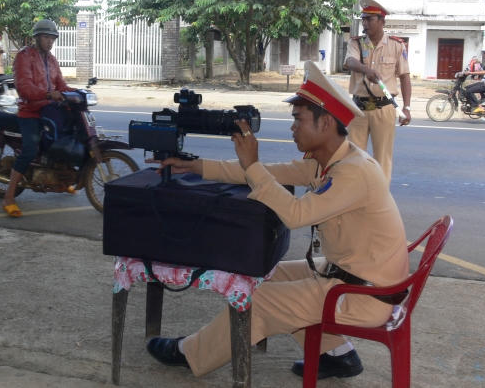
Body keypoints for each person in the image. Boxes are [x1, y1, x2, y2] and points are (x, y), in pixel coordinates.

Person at [145, 60, 409, 381]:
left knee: (260, 301)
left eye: (298, 119)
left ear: (326, 123)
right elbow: (268, 174)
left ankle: (190, 353)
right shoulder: (330, 162)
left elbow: (296, 215)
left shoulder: (353, 172)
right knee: (265, 274)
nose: (292, 127)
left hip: (364, 295)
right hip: (352, 275)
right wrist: (196, 166)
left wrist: (252, 165)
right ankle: (338, 354)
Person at [1, 19, 75, 218]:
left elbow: (61, 84)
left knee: (66, 138)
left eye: (52, 38)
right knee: (30, 149)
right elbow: (24, 87)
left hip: (49, 110)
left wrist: (78, 92)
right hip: (30, 111)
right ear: (37, 37)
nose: (50, 41)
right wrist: (48, 94)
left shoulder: (51, 60)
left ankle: (61, 179)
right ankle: (9, 196)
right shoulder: (24, 57)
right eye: (46, 37)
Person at [343, 0, 411, 183]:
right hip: (358, 108)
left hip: (384, 108)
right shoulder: (356, 43)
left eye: (369, 19)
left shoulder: (396, 45)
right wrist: (366, 70)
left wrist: (407, 107)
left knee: (382, 158)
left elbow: (405, 77)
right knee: (353, 156)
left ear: (382, 21)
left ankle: (380, 196)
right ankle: (355, 195)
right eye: (363, 19)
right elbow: (350, 61)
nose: (365, 23)